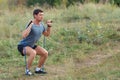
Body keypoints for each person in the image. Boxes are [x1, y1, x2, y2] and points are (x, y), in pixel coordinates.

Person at [17, 9, 52, 75]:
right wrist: (30, 25)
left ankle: (38, 69)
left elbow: (46, 34)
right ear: (35, 16)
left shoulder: (41, 25)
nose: (42, 17)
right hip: (22, 46)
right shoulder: (31, 24)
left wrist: (49, 26)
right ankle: (27, 70)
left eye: (42, 15)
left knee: (45, 53)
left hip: (31, 45)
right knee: (33, 52)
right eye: (40, 15)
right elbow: (24, 36)